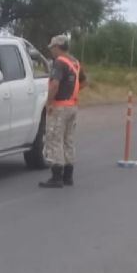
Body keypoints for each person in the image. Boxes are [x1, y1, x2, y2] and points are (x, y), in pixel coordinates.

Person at [39, 34, 87, 188]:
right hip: (72, 106)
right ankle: (68, 175)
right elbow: (84, 82)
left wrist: (49, 102)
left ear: (57, 47)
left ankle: (57, 176)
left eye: (52, 48)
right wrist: (72, 91)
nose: (51, 51)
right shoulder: (75, 63)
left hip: (60, 107)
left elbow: (54, 85)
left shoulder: (59, 62)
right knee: (68, 139)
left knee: (54, 139)